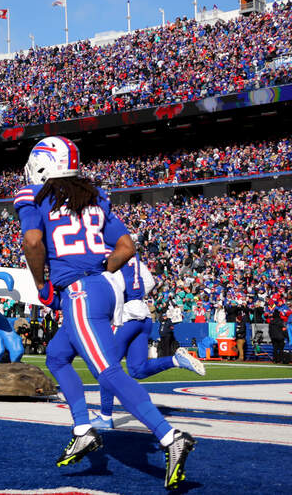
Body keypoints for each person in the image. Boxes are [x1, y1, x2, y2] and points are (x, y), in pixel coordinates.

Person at [15, 136, 193, 490]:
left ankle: (169, 436)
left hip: (79, 291)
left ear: (43, 164)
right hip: (100, 287)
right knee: (57, 356)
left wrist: (41, 285)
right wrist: (100, 269)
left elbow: (32, 242)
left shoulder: (33, 197)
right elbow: (127, 247)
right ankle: (82, 428)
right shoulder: (93, 197)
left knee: (107, 371)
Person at [91, 256, 205, 429]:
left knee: (107, 367)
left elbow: (116, 287)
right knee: (137, 369)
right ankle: (175, 360)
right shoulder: (133, 259)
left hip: (127, 316)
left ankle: (105, 417)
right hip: (143, 316)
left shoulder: (112, 257)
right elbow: (150, 282)